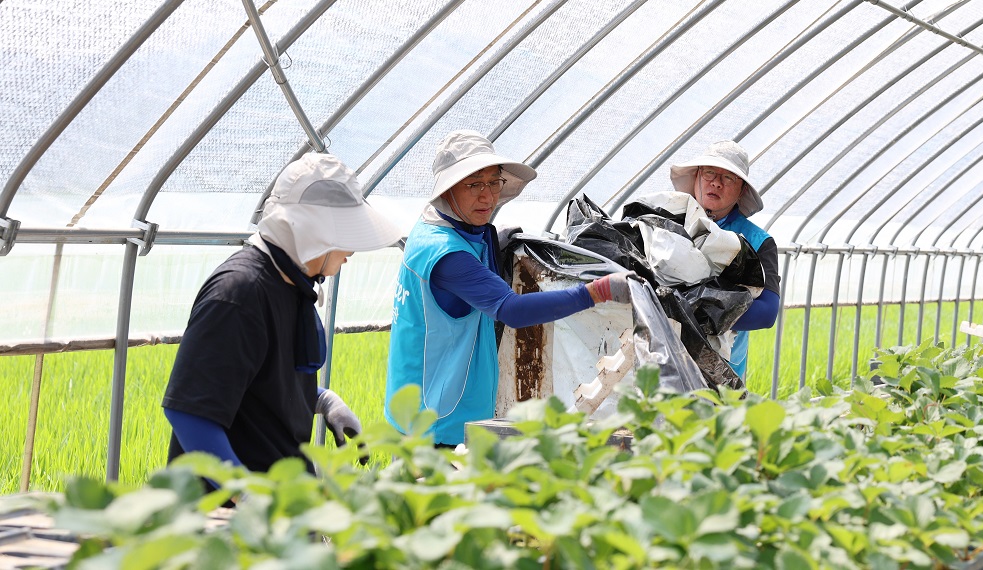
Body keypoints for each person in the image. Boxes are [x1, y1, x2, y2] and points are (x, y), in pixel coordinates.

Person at [385, 130, 631, 447]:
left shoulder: (438, 228)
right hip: (438, 420)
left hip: (421, 400)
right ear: (447, 190)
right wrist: (597, 292)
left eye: (493, 182)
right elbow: (512, 310)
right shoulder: (447, 254)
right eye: (474, 184)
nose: (487, 196)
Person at [162, 152, 402, 474]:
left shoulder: (289, 286)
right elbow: (190, 414)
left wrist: (322, 400)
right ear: (313, 235)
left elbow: (261, 383)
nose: (350, 252)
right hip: (227, 512)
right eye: (345, 238)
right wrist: (245, 494)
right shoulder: (238, 294)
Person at [670, 140, 780, 381]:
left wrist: (697, 310)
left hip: (719, 371)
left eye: (729, 178)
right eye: (710, 172)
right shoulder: (668, 223)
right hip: (664, 361)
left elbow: (767, 312)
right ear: (697, 177)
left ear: (742, 190)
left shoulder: (757, 241)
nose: (716, 182)